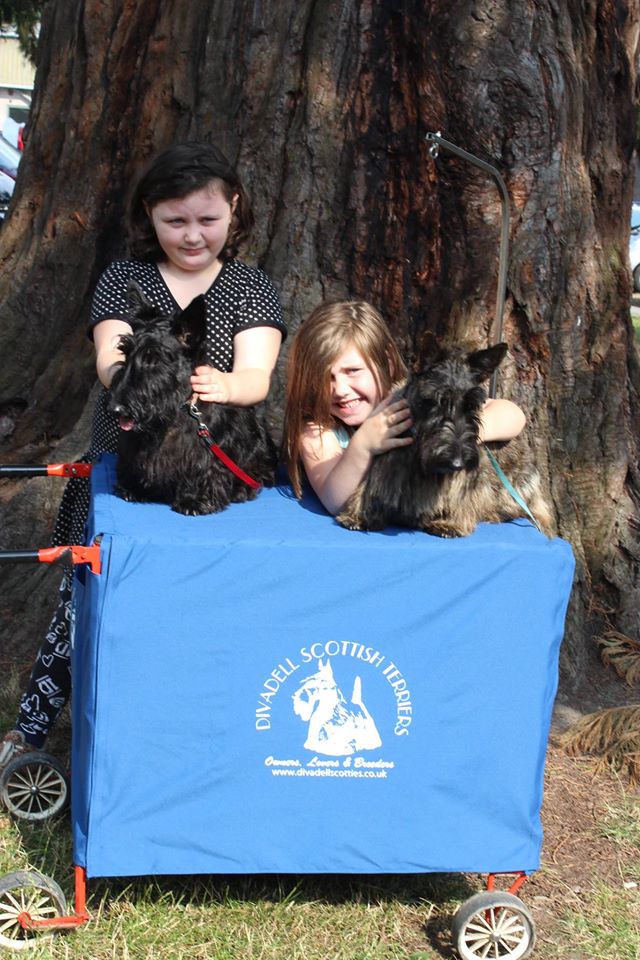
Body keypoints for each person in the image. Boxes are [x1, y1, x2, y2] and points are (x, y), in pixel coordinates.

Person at [0, 141, 286, 769]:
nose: (192, 235)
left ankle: (188, 734)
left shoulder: (249, 287)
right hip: (122, 461)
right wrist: (129, 377)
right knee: (84, 594)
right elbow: (108, 357)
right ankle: (32, 729)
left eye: (207, 220)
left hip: (210, 469)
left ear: (234, 210)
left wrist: (224, 385)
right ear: (149, 217)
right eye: (175, 220)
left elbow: (258, 375)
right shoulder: (125, 280)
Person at [284, 300, 525, 515]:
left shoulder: (414, 400)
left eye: (352, 371)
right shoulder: (318, 428)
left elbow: (514, 416)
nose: (340, 389)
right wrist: (362, 446)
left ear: (387, 363)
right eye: (326, 378)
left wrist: (456, 441)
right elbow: (335, 501)